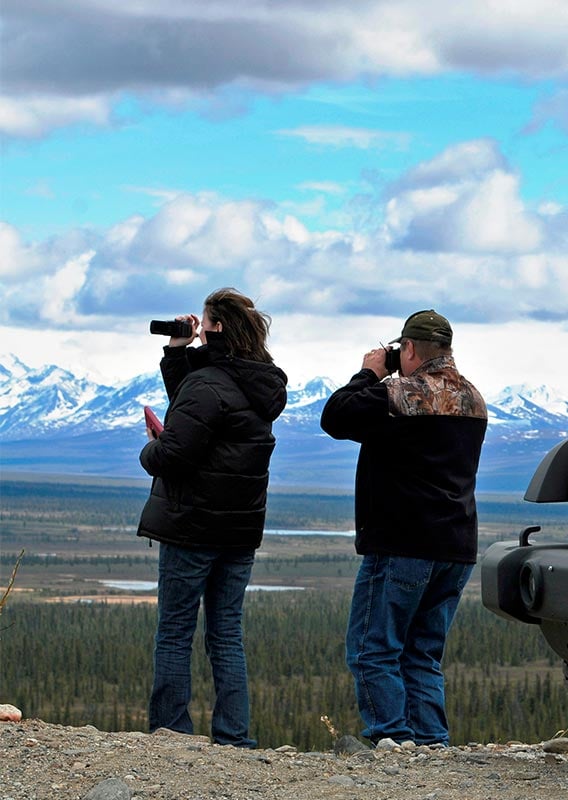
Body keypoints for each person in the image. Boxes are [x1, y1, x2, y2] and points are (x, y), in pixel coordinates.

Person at [320, 309, 487, 747]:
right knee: (423, 654)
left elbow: (335, 416)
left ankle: (390, 740)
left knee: (374, 648)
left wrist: (369, 373)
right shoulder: (473, 398)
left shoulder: (400, 395)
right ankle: (431, 744)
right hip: (456, 546)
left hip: (402, 544)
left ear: (408, 349)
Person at [137, 288, 287, 747]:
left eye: (203, 323)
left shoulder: (209, 385)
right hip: (239, 532)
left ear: (218, 327)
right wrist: (177, 352)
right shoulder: (259, 384)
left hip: (192, 528)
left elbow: (176, 451)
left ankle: (171, 734)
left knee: (176, 631)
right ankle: (233, 736)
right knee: (226, 634)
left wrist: (150, 448)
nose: (198, 330)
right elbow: (199, 405)